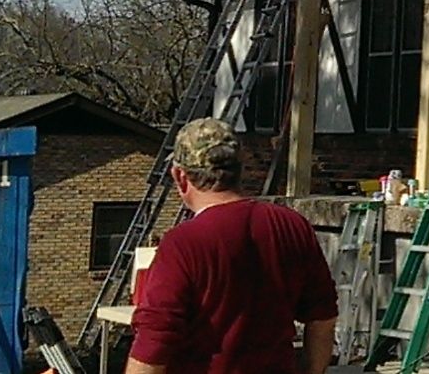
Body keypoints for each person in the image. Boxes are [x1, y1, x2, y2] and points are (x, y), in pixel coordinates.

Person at [126, 118, 337, 374]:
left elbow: (154, 343)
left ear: (180, 176)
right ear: (240, 169)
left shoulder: (183, 244)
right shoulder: (293, 226)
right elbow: (323, 317)